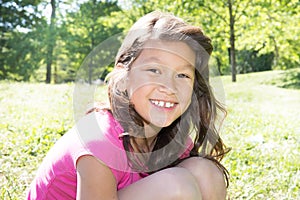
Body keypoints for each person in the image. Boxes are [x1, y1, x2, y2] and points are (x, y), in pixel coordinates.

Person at [27, 11, 230, 200]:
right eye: (154, 70)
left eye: (182, 75)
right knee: (176, 185)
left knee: (206, 171)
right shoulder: (97, 138)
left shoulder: (171, 139)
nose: (169, 87)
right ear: (123, 77)